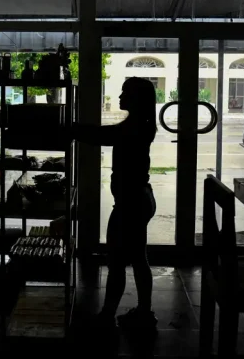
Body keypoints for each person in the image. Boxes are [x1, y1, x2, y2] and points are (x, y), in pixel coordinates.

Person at [71, 77, 158, 330]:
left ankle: (107, 315)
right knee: (138, 258)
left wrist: (73, 128)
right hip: (140, 198)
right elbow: (107, 134)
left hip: (130, 203)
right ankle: (143, 312)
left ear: (136, 98)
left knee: (117, 262)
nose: (119, 97)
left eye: (124, 93)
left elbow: (103, 135)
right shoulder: (141, 123)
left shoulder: (134, 127)